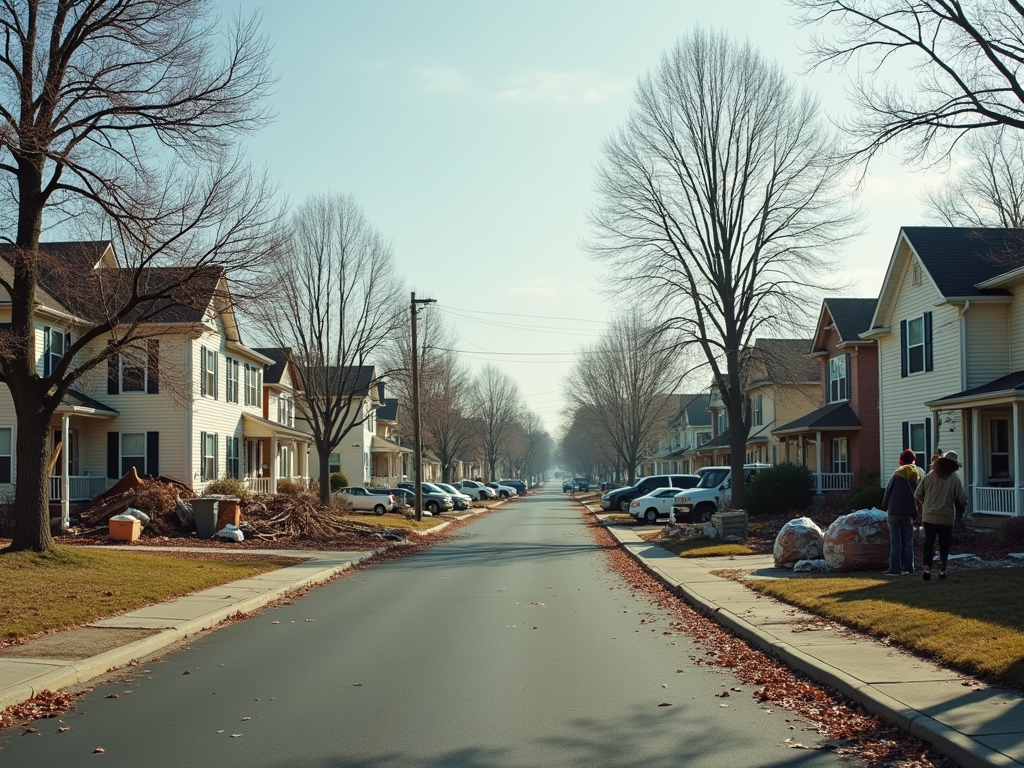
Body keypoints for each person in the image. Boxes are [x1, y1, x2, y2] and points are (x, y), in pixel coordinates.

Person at [914, 451, 968, 581]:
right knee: (944, 545)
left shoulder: (928, 477)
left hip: (929, 516)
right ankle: (942, 571)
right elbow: (963, 499)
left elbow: (917, 493)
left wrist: (925, 504)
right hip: (946, 517)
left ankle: (927, 570)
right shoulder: (955, 480)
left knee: (928, 544)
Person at [880, 448, 921, 575]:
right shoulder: (918, 474)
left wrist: (884, 507)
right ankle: (909, 566)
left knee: (895, 541)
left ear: (901, 460)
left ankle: (895, 568)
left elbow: (888, 491)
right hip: (909, 511)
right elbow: (919, 493)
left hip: (894, 510)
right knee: (908, 541)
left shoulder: (898, 473)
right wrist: (917, 508)